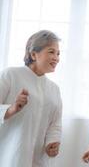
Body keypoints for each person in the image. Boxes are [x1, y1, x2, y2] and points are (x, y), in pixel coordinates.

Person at [0, 30, 62, 167]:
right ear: (33, 54)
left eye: (58, 53)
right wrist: (11, 109)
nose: (56, 58)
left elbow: (55, 122)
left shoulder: (54, 89)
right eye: (51, 52)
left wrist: (52, 143)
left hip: (38, 159)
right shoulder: (10, 75)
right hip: (10, 157)